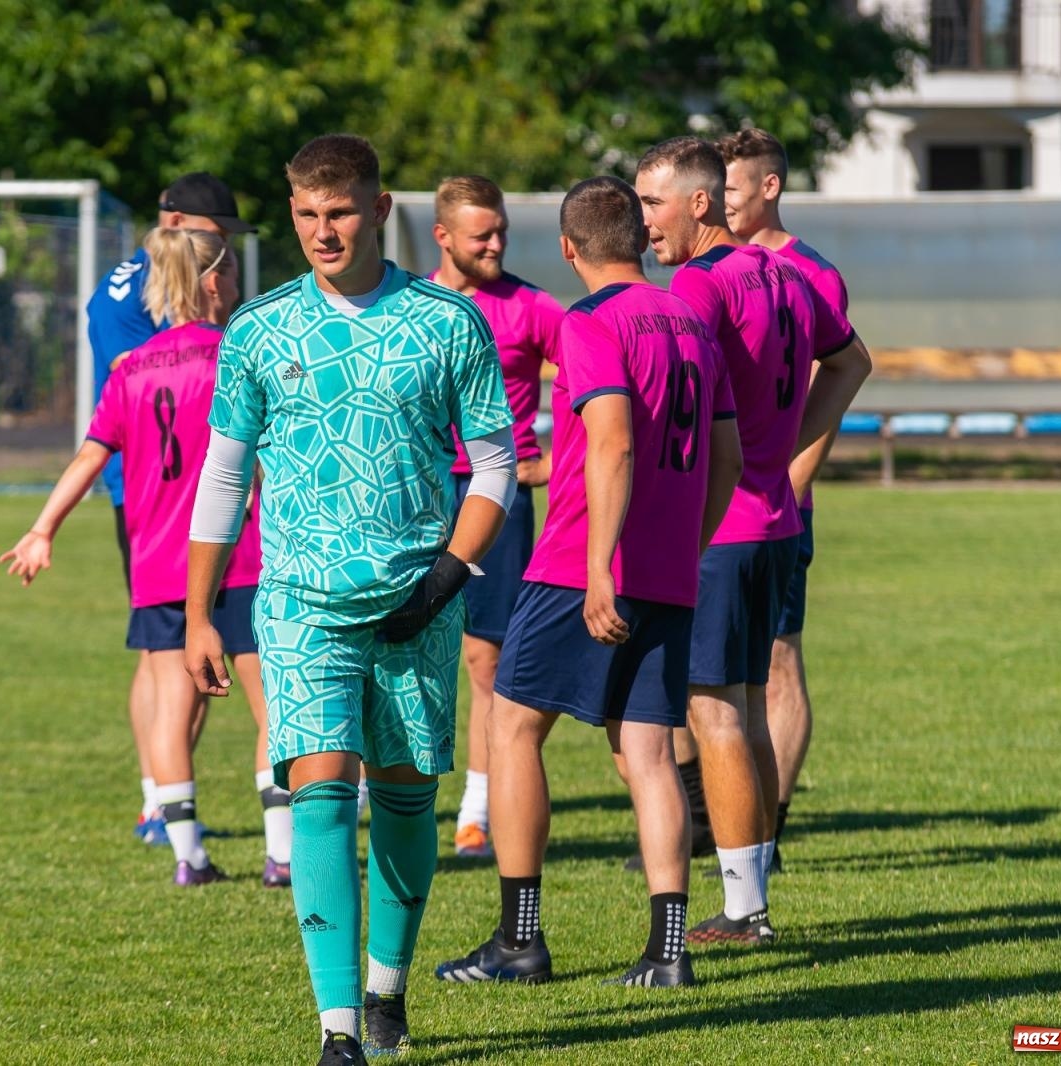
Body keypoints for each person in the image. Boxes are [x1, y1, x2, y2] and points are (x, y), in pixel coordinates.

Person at [184, 134, 516, 1065]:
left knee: (406, 799)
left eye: (338, 212)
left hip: (420, 602)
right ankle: (337, 1031)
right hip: (300, 603)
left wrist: (447, 577)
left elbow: (496, 467)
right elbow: (224, 475)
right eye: (305, 215)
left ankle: (386, 990)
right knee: (320, 794)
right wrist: (199, 613)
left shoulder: (448, 322)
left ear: (378, 210)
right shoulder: (259, 329)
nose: (321, 232)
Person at [434, 176, 742, 989]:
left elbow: (613, 443)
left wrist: (602, 565)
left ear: (569, 248)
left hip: (580, 564)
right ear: (639, 238)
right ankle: (667, 951)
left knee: (511, 727)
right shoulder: (692, 321)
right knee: (647, 751)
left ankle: (518, 941)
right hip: (668, 573)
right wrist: (684, 547)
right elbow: (730, 458)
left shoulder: (590, 321)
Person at [634, 136, 871, 946]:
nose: (642, 222)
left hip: (722, 529)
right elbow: (852, 364)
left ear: (698, 203)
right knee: (748, 712)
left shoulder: (699, 285)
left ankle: (744, 910)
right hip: (775, 519)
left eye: (653, 203)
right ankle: (753, 896)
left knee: (716, 716)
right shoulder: (785, 275)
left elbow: (677, 400)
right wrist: (781, 455)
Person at [3, 226, 288, 887]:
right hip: (240, 556)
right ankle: (282, 856)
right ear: (214, 282)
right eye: (233, 274)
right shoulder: (237, 356)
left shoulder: (130, 369)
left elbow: (90, 456)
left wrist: (43, 528)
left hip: (159, 564)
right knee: (273, 707)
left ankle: (189, 857)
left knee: (169, 710)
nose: (238, 286)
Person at [86, 173, 256, 847]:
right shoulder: (135, 292)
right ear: (178, 223)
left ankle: (166, 802)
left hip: (186, 487)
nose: (224, 252)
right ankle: (159, 801)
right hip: (158, 492)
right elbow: (136, 376)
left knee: (175, 648)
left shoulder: (152, 281)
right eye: (217, 236)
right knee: (170, 651)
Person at [719, 128, 851, 872]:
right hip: (711, 508)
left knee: (776, 659)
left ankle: (769, 831)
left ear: (769, 187)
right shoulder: (712, 270)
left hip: (775, 508)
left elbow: (833, 381)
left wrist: (787, 484)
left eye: (731, 190)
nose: (718, 204)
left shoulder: (810, 275)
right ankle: (713, 817)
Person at [428, 174, 563, 860]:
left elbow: (597, 381)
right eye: (481, 235)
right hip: (417, 498)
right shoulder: (410, 306)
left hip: (499, 499)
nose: (496, 245)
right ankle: (367, 789)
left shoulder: (533, 307)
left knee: (486, 660)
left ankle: (475, 814)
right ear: (443, 236)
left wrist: (552, 463)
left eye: (501, 231)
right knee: (387, 646)